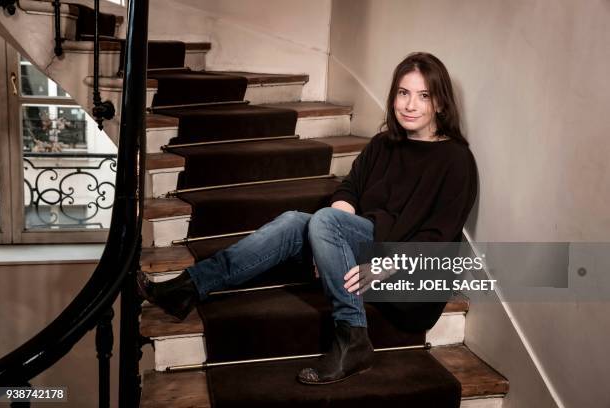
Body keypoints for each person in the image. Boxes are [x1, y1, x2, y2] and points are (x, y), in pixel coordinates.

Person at [138, 52, 477, 385]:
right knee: (293, 221)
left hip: (409, 275)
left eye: (423, 95)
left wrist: (376, 260)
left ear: (441, 104)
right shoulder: (383, 144)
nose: (409, 105)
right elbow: (350, 191)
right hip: (363, 253)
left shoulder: (456, 160)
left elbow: (439, 239)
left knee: (323, 222)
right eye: (403, 93)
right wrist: (328, 236)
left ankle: (353, 338)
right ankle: (189, 286)